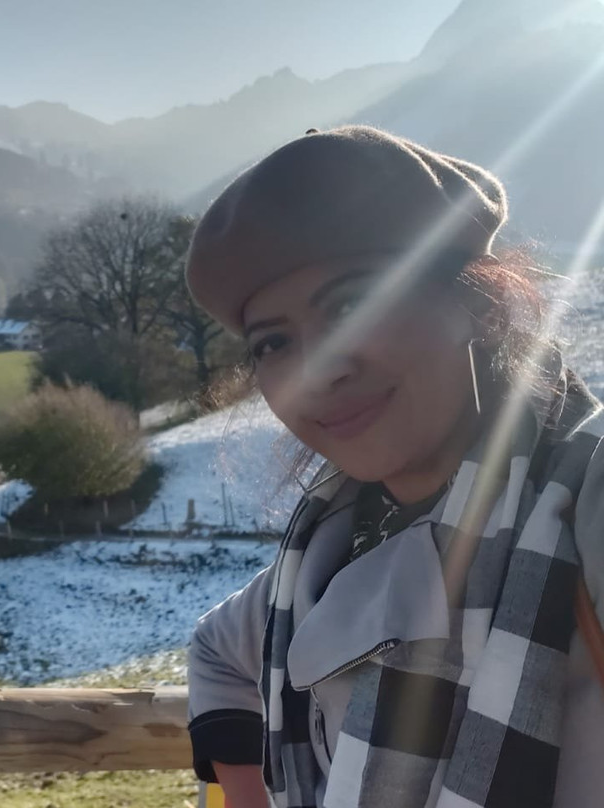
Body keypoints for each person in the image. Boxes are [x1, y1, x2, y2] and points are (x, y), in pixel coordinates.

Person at [183, 125, 604, 808]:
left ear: (473, 301)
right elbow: (217, 649)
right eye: (273, 343)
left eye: (353, 303)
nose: (319, 369)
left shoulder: (583, 501)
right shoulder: (328, 551)